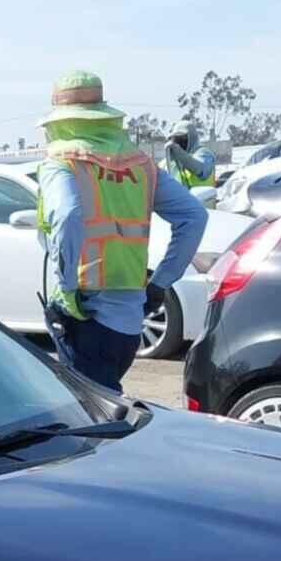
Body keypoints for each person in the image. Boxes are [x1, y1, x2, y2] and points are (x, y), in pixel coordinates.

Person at [35, 70, 206, 390]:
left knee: (92, 424)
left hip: (86, 319)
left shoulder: (60, 164)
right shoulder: (140, 165)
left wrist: (68, 292)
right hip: (128, 327)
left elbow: (69, 216)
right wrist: (160, 284)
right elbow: (194, 216)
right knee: (104, 411)